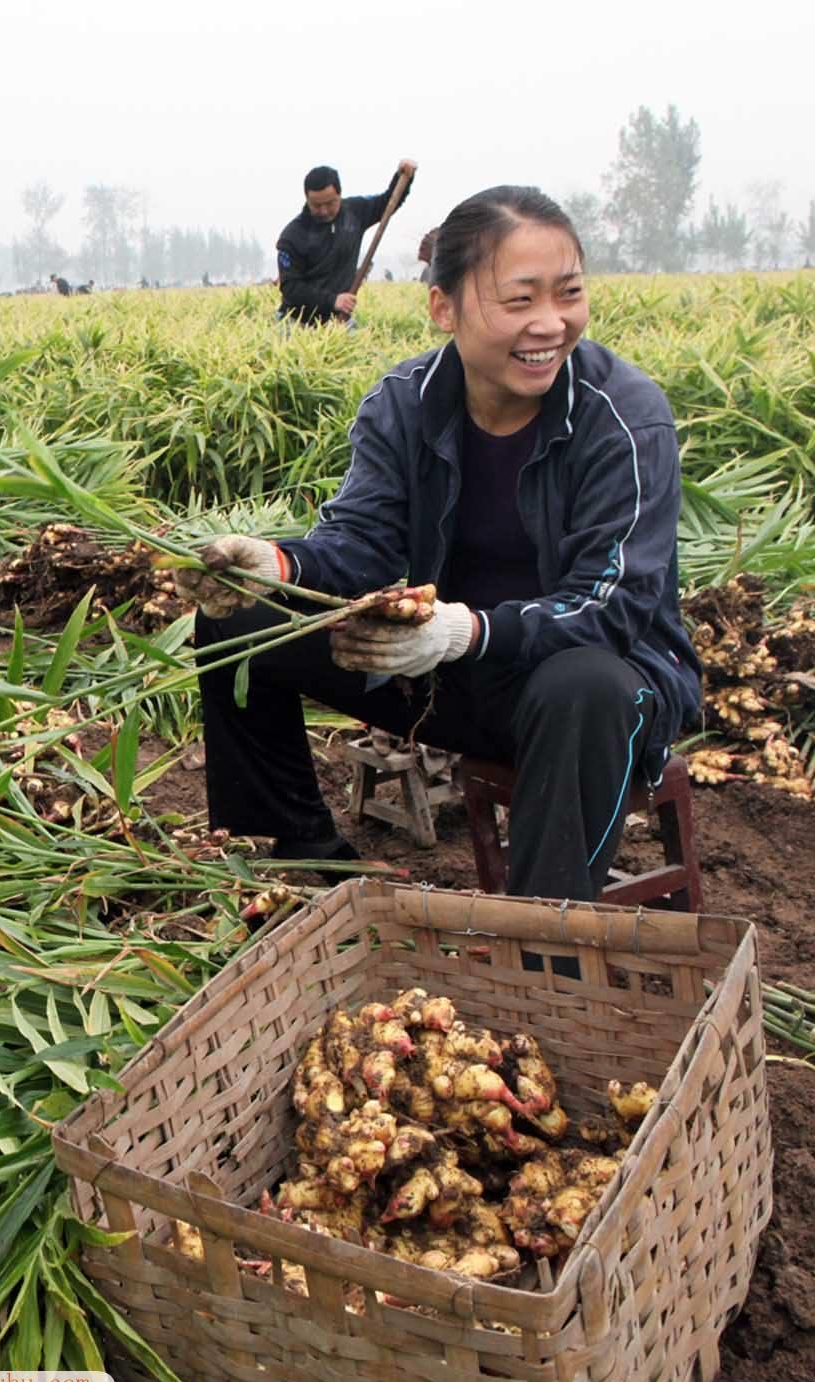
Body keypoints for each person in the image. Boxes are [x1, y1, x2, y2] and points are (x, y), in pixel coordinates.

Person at [179, 185, 700, 903]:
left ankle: (543, 937)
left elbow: (615, 606)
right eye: (519, 301)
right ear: (443, 308)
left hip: (590, 694)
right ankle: (302, 846)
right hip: (446, 673)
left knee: (584, 683)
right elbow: (361, 542)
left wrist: (466, 629)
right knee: (239, 616)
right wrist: (277, 564)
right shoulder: (405, 401)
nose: (550, 323)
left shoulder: (624, 417)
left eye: (568, 294)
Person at [275, 159, 417, 326]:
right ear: (307, 199)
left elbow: (388, 202)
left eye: (330, 203)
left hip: (339, 321)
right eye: (316, 205)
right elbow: (291, 288)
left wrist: (402, 177)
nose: (324, 211)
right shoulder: (292, 236)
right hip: (297, 322)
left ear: (339, 195)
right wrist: (332, 300)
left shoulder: (354, 212)